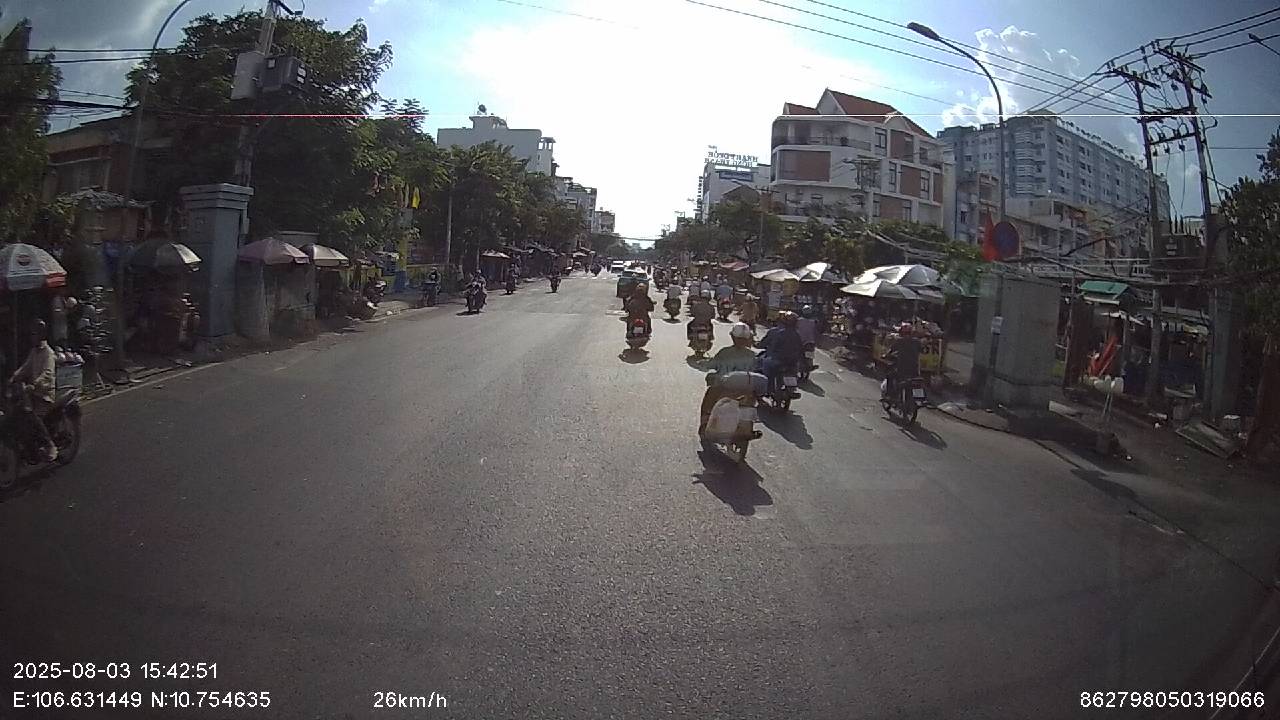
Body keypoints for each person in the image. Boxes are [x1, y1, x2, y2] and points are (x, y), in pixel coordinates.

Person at [9, 320, 58, 461]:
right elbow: (25, 367)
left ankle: (50, 445)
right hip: (32, 393)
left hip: (44, 394)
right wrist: (13, 377)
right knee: (17, 412)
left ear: (42, 334)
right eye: (31, 334)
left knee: (32, 416)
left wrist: (35, 384)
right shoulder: (34, 351)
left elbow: (47, 374)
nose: (32, 337)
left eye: (34, 334)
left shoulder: (48, 353)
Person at [699, 322, 758, 435]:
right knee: (751, 400)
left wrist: (703, 363)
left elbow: (712, 364)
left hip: (723, 388)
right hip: (745, 389)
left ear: (732, 337)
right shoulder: (753, 355)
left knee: (709, 399)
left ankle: (704, 424)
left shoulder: (724, 352)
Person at [756, 310, 804, 391]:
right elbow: (801, 348)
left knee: (765, 365)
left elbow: (773, 347)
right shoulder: (797, 334)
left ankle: (769, 389)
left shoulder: (779, 333)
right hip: (792, 362)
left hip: (779, 360)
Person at [882, 323, 921, 399]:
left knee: (890, 375)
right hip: (914, 370)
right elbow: (920, 350)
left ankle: (890, 395)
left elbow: (891, 350)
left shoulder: (899, 341)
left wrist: (885, 355)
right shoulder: (917, 342)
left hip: (901, 369)